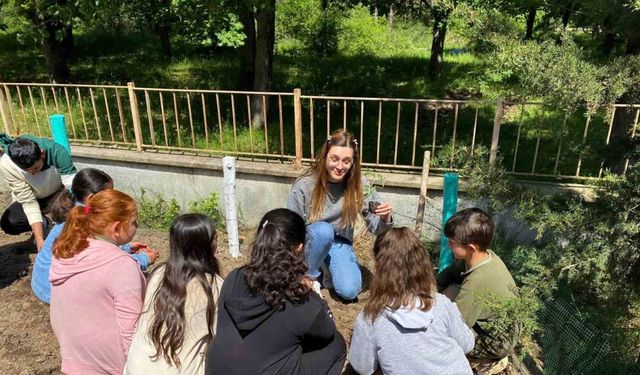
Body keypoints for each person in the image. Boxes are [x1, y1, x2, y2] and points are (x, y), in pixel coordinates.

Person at [205, 208, 346, 375]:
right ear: (299, 248)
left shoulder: (234, 278)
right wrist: (315, 295)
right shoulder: (300, 297)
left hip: (218, 367)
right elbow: (327, 330)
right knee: (336, 345)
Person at [348, 227, 475, 375]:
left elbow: (362, 368)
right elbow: (468, 344)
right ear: (422, 264)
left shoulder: (371, 317)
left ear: (380, 268)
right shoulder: (441, 303)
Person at [287, 130, 392, 301]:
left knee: (349, 291)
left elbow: (377, 229)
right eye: (334, 159)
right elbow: (291, 227)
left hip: (339, 242)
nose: (340, 166)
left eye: (346, 161)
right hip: (309, 242)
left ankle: (327, 269)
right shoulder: (305, 185)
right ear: (325, 156)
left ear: (353, 162)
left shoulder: (359, 184)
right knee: (323, 231)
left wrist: (385, 218)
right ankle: (310, 275)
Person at [50, 189, 145, 375]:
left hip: (74, 355)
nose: (137, 225)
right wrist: (137, 368)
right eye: (133, 222)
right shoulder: (121, 265)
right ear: (116, 229)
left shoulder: (68, 250)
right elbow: (130, 329)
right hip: (109, 363)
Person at [31, 168, 157, 304]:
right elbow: (109, 264)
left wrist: (126, 248)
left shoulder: (77, 212)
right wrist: (144, 259)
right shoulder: (85, 223)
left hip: (44, 283)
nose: (112, 197)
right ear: (91, 198)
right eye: (109, 193)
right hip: (53, 292)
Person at [126, 214, 223, 375]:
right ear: (206, 245)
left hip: (137, 368)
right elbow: (219, 340)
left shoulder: (158, 274)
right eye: (215, 237)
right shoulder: (214, 287)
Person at [437, 208, 519, 365]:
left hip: (496, 342)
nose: (448, 245)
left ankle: (487, 362)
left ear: (471, 248)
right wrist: (426, 293)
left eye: (452, 243)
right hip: (490, 324)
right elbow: (448, 274)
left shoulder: (477, 281)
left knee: (441, 340)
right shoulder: (481, 257)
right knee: (452, 289)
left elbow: (455, 327)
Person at [0, 135, 77, 250]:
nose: (33, 174)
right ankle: (47, 222)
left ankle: (56, 218)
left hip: (59, 193)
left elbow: (71, 187)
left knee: (72, 213)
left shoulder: (57, 152)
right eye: (27, 171)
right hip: (35, 197)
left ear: (42, 154)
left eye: (36, 168)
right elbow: (28, 202)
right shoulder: (7, 164)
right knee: (10, 222)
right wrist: (40, 239)